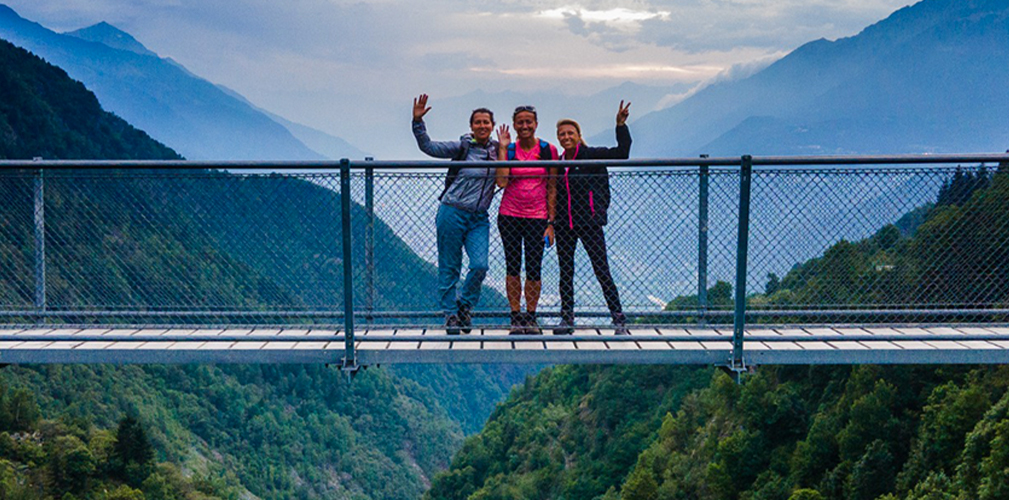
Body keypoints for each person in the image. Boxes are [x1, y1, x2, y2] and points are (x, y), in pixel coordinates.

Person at [412, 93, 498, 334]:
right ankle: (450, 314)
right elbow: (429, 147)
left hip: (479, 217)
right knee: (450, 266)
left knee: (480, 265)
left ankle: (464, 306)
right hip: (452, 211)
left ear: (492, 126)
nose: (482, 126)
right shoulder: (463, 147)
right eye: (478, 122)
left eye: (486, 122)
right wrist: (418, 122)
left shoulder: (498, 150)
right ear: (471, 126)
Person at [553, 101, 632, 335]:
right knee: (565, 272)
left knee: (601, 270)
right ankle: (567, 319)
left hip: (589, 223)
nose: (566, 137)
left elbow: (622, 153)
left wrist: (620, 126)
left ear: (579, 135)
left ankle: (619, 319)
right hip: (564, 224)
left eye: (570, 133)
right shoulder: (558, 163)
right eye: (562, 134)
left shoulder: (591, 155)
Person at [494, 105, 559, 334]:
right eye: (520, 122)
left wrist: (551, 222)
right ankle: (515, 316)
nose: (524, 126)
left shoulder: (548, 150)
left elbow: (552, 186)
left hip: (537, 217)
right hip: (509, 215)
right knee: (512, 266)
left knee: (533, 267)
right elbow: (501, 182)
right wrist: (503, 149)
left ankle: (531, 317)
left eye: (528, 121)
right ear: (514, 125)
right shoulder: (510, 150)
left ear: (536, 124)